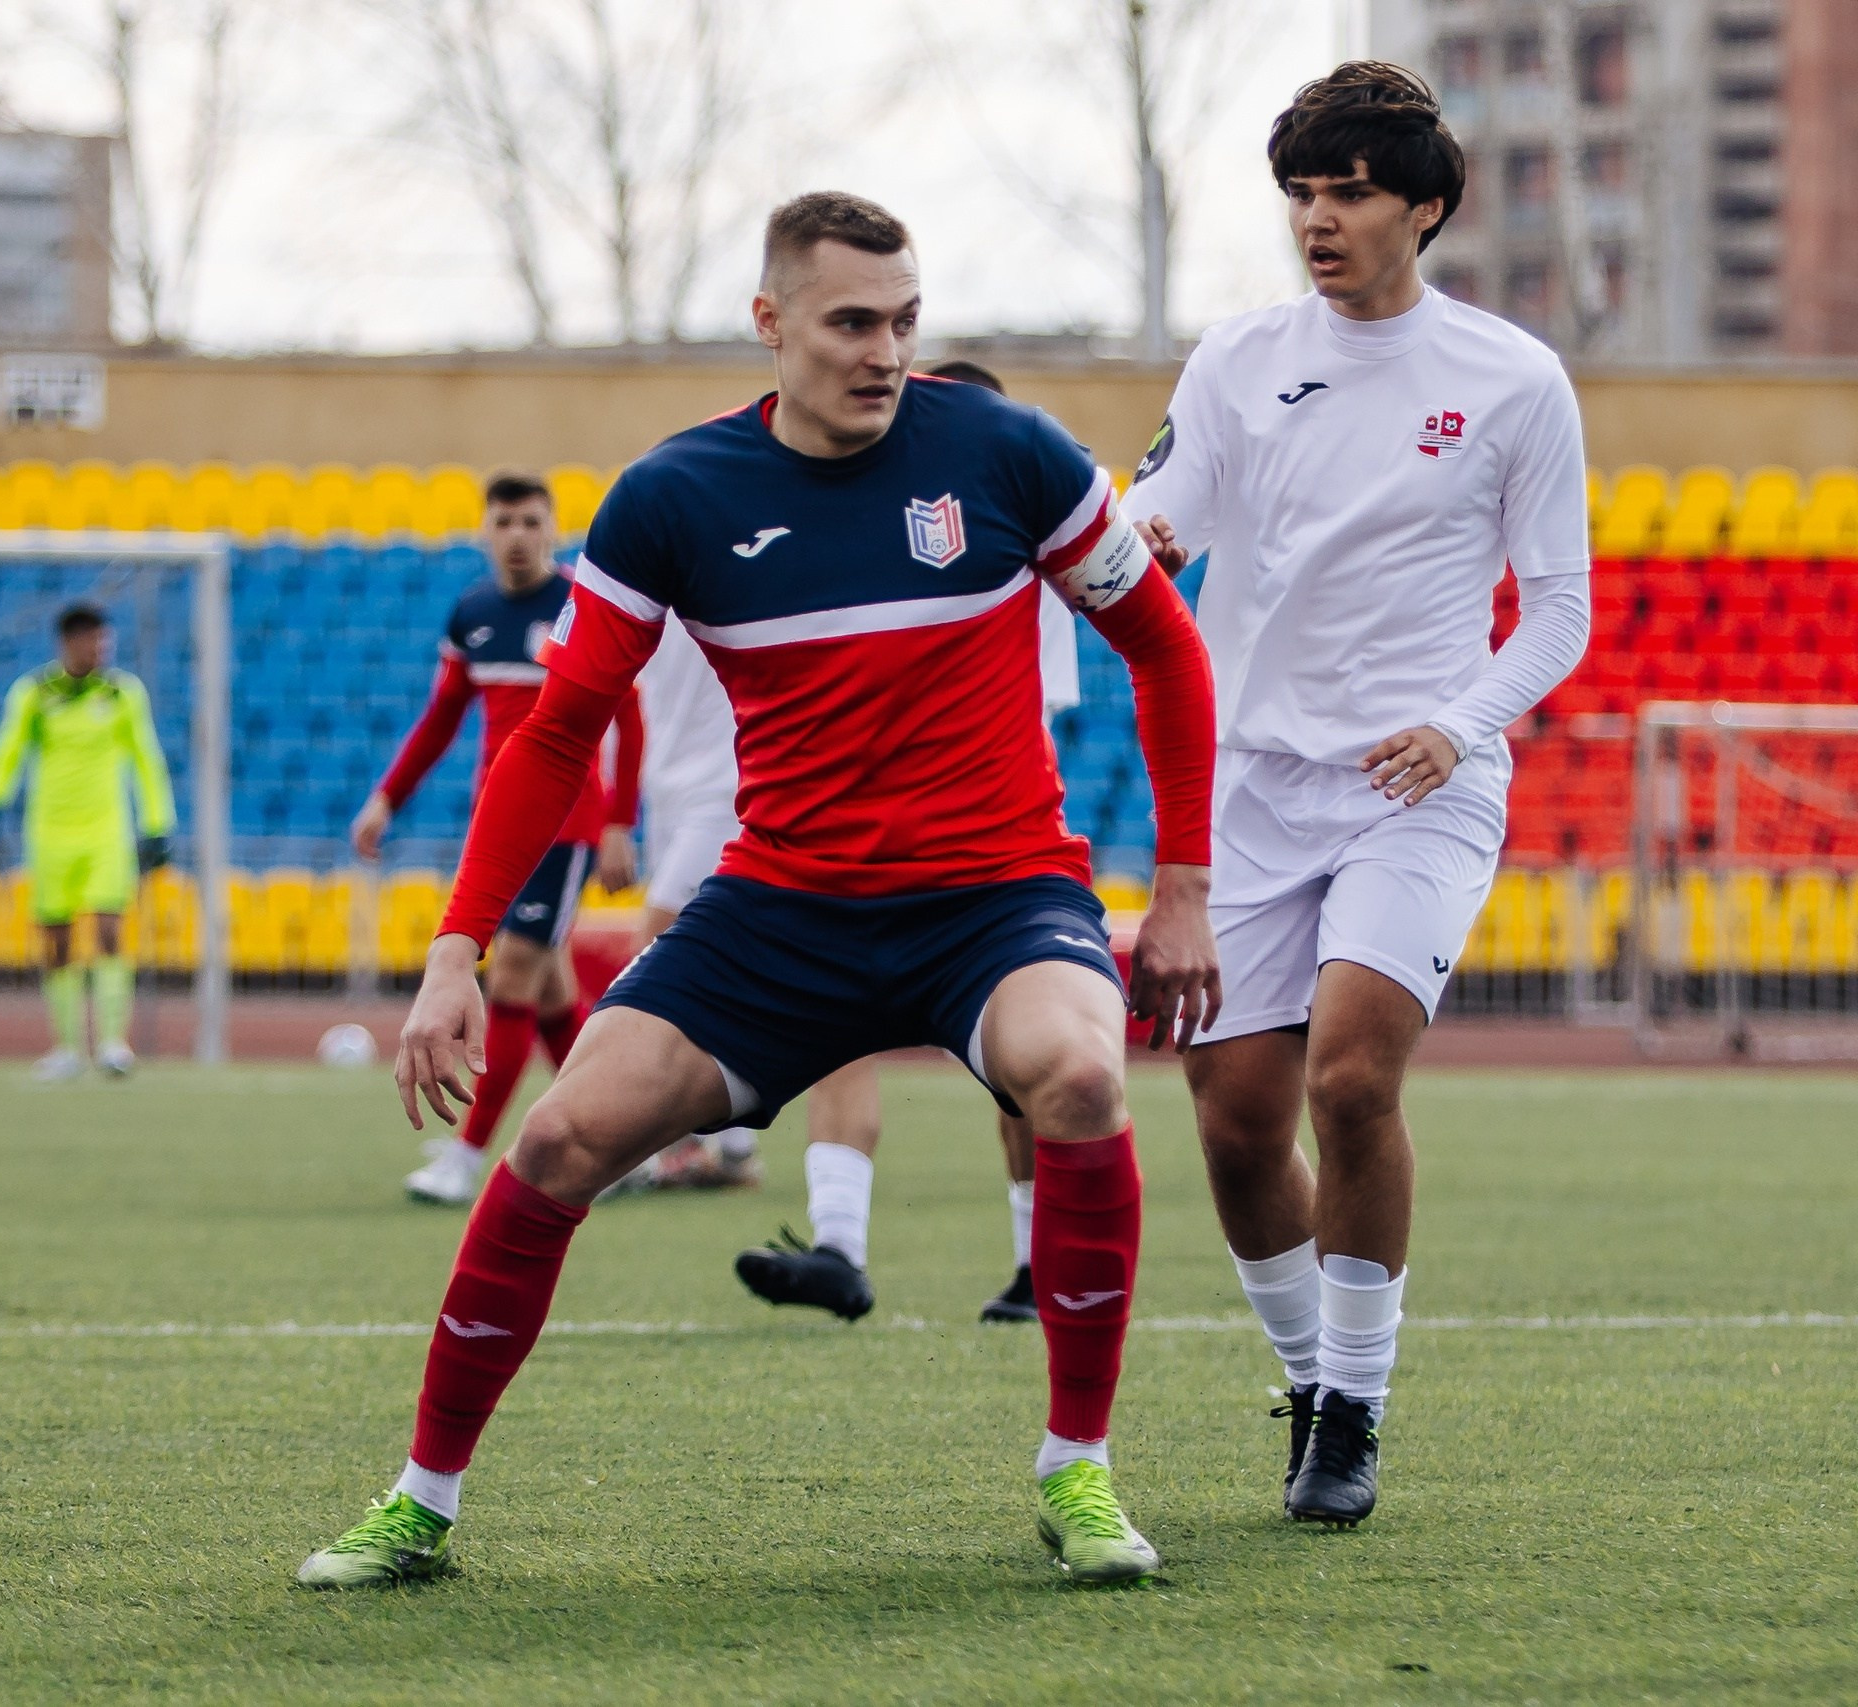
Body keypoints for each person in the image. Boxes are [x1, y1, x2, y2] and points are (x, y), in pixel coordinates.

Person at [297, 190, 1217, 1591]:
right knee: (555, 1142)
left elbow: (1166, 647)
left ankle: (1076, 1467)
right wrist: (454, 951)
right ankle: (420, 1499)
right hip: (779, 909)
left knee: (1079, 1080)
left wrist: (1188, 887)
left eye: (905, 320)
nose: (885, 350)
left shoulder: (1011, 454)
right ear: (771, 322)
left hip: (998, 895)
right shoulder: (677, 494)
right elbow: (555, 731)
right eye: (853, 322)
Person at [1125, 63, 1592, 1528]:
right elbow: (1154, 533)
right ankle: (1312, 1383)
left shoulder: (1513, 378)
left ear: (1426, 206)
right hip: (1254, 790)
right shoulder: (1237, 359)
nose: (1319, 220)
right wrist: (1065, 545)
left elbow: (1562, 609)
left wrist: (1461, 727)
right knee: (1238, 1119)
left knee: (1348, 1076)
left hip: (1420, 787)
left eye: (1351, 192)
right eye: (1302, 195)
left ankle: (1356, 1418)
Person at [725, 356, 1078, 1326]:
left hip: (989, 846)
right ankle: (839, 1244)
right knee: (836, 1028)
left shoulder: (1017, 535)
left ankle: (1035, 1260)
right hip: (867, 833)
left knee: (1024, 1066)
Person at [350, 472, 642, 1207]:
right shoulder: (472, 614)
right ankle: (627, 1138)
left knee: (510, 975)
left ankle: (466, 1154)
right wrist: (387, 798)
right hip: (501, 827)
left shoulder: (582, 604)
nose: (517, 534)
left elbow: (629, 720)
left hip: (569, 823)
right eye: (504, 521)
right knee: (547, 993)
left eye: (530, 521)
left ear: (552, 527)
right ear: (486, 531)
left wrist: (617, 823)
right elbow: (440, 718)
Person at [0, 602, 175, 1081]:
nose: (101, 649)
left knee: (108, 928)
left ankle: (112, 1044)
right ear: (69, 642)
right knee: (57, 940)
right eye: (92, 640)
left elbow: (146, 758)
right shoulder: (35, 694)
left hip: (106, 831)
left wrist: (157, 823)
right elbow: (8, 751)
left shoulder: (123, 693)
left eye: (106, 641)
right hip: (49, 834)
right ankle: (65, 1047)